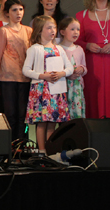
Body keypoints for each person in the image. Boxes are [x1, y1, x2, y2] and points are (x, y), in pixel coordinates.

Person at [23, 16, 73, 152]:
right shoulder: (34, 49)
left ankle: (51, 148)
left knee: (53, 121)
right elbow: (26, 70)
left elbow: (69, 68)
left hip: (56, 90)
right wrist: (42, 76)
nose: (53, 30)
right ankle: (42, 150)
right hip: (41, 89)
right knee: (42, 122)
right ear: (40, 30)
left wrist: (61, 74)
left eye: (54, 27)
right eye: (49, 27)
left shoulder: (59, 49)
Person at [0, 0, 32, 142]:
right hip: (7, 78)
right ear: (7, 13)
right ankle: (9, 145)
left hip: (24, 77)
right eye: (14, 10)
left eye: (21, 9)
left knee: (23, 114)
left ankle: (22, 144)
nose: (18, 13)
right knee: (10, 114)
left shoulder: (28, 31)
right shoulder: (3, 31)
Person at [59, 17, 87, 119]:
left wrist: (82, 69)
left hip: (77, 87)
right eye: (72, 29)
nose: (76, 32)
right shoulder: (58, 49)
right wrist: (67, 74)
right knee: (65, 113)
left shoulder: (79, 49)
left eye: (78, 29)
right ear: (62, 32)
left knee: (77, 112)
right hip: (64, 86)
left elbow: (84, 66)